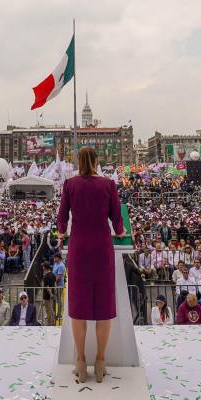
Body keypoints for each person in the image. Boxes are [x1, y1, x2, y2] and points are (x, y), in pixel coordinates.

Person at [56, 146, 124, 383]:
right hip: (102, 248)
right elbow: (117, 218)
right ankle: (101, 361)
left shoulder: (70, 185)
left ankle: (81, 361)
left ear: (79, 161)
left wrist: (61, 231)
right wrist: (120, 231)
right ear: (96, 162)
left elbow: (62, 217)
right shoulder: (108, 185)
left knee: (79, 306)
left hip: (79, 249)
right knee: (103, 306)